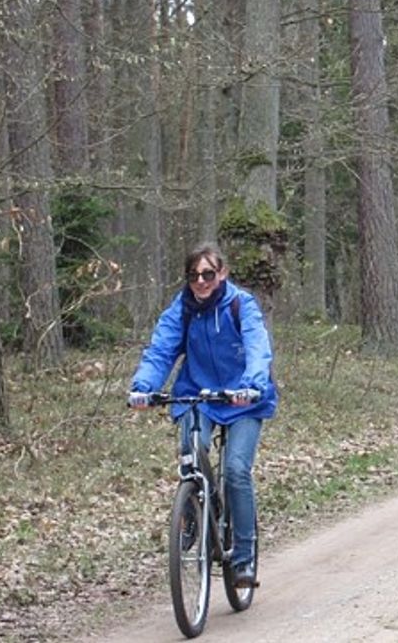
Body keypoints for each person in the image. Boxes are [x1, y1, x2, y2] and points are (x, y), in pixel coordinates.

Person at [128, 241, 278, 587]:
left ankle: (243, 558)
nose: (201, 281)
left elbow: (257, 348)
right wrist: (143, 387)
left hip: (243, 399)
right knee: (191, 458)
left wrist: (252, 384)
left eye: (208, 274)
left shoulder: (242, 305)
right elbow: (161, 350)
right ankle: (194, 508)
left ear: (221, 273)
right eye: (194, 275)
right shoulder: (181, 309)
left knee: (236, 471)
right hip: (198, 395)